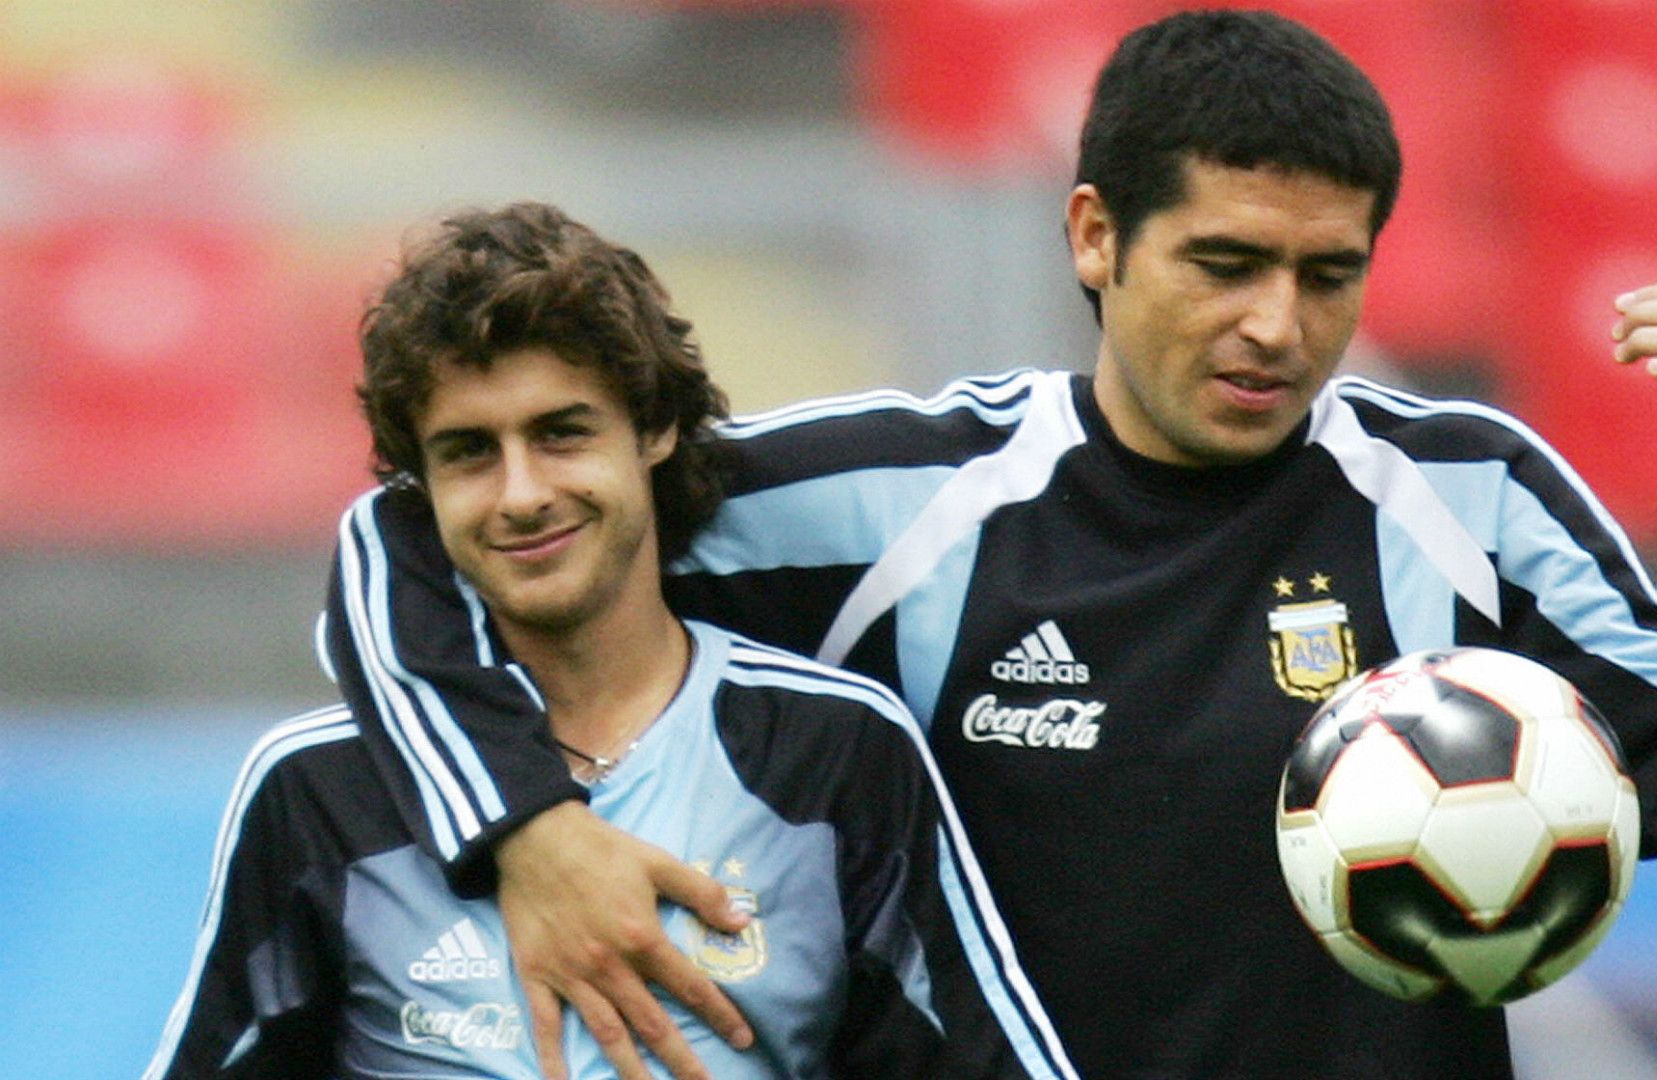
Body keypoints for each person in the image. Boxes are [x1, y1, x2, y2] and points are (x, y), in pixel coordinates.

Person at [321, 11, 1657, 1080]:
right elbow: (430, 532)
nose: (1276, 325)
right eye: (1222, 262)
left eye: (1326, 275)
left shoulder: (1467, 500)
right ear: (1092, 237)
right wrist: (523, 827)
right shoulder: (908, 500)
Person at [145, 203, 1074, 1080]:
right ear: (419, 489)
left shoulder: (835, 752)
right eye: (470, 451)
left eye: (562, 434)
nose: (520, 493)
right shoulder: (315, 794)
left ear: (656, 429)